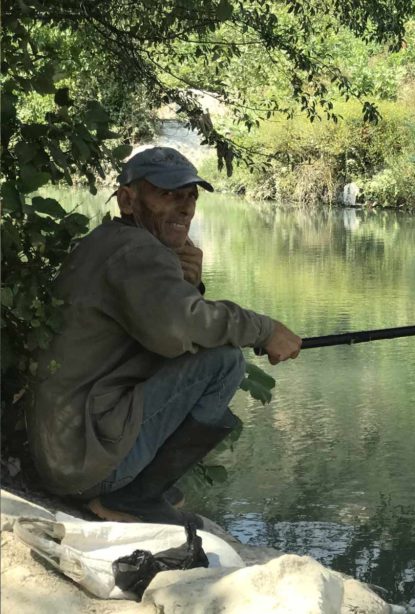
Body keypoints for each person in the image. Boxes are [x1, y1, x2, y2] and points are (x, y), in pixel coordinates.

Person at [28, 146, 302, 527]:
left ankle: (135, 486)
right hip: (84, 462)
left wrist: (188, 285)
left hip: (65, 453)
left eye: (190, 197)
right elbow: (180, 333)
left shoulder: (110, 242)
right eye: (168, 195)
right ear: (127, 199)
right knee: (224, 362)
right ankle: (132, 497)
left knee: (212, 354)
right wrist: (265, 329)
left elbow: (163, 335)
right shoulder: (137, 251)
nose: (185, 208)